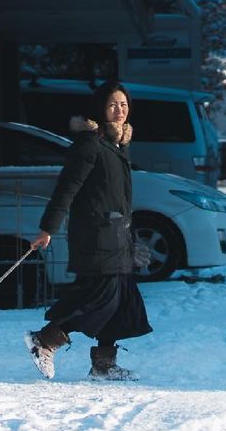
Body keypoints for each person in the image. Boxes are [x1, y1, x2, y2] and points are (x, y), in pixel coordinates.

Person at [24, 81, 153, 381]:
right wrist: (48, 228)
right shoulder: (89, 144)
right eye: (112, 104)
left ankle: (104, 364)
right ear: (100, 109)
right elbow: (66, 190)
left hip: (118, 236)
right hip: (96, 236)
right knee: (101, 297)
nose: (119, 110)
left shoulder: (117, 144)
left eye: (123, 104)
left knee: (121, 300)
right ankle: (45, 340)